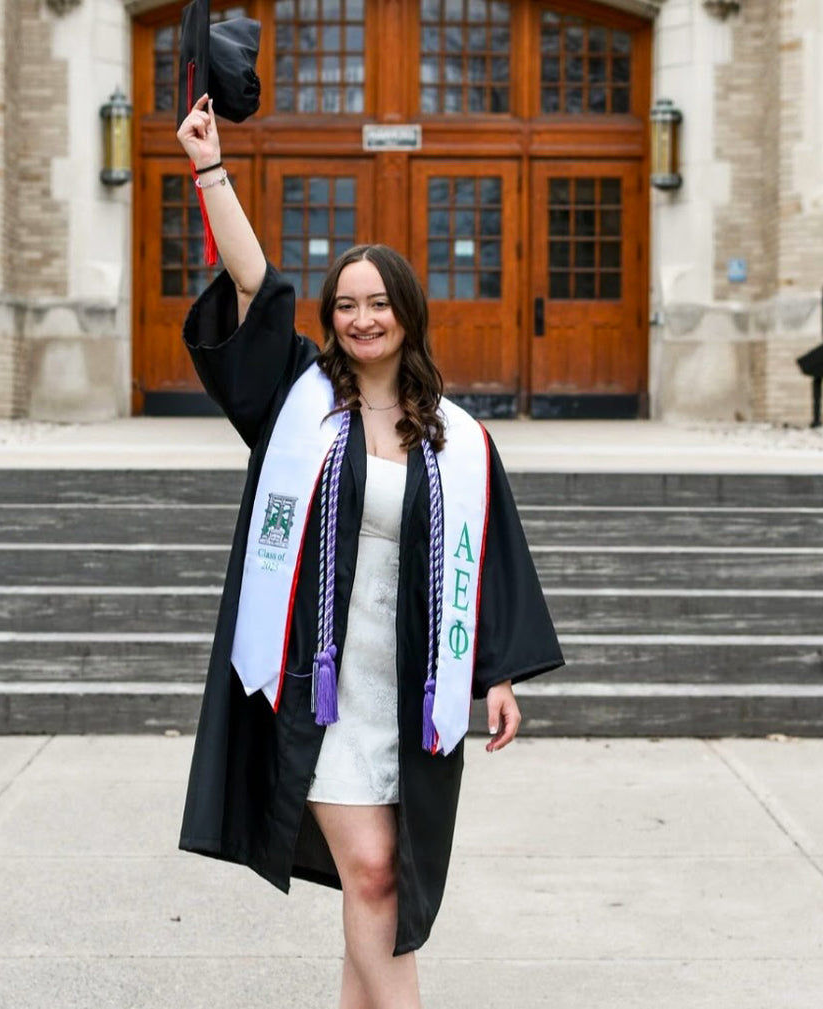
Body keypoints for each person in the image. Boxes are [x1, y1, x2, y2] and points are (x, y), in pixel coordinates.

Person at [175, 94, 563, 1009]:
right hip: (321, 684)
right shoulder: (300, 402)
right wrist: (210, 167)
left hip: (412, 683)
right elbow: (256, 287)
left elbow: (487, 557)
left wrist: (498, 675)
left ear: (407, 314)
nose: (361, 318)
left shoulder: (457, 440)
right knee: (377, 874)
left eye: (378, 302)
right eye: (345, 304)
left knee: (381, 882)